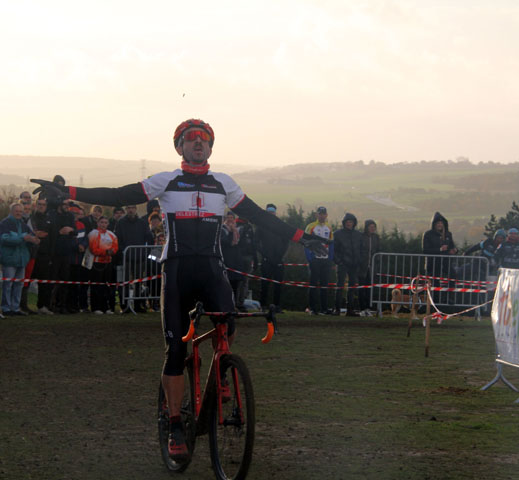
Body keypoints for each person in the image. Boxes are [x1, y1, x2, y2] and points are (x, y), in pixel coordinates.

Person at [31, 118, 325, 462]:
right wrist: (69, 193)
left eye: (203, 139)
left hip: (212, 268)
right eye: (190, 139)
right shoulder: (166, 181)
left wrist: (300, 236)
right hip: (178, 270)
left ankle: (223, 373)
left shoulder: (224, 184)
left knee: (227, 324)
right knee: (174, 349)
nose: (198, 142)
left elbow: (262, 217)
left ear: (211, 148)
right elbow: (119, 195)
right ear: (179, 147)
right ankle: (174, 424)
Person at [0, 203, 40, 316]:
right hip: (10, 259)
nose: (19, 213)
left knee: (19, 285)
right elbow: (4, 239)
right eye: (16, 211)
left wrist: (35, 240)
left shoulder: (24, 225)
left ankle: (15, 308)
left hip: (22, 259)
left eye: (21, 211)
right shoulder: (5, 223)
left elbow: (31, 236)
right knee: (8, 285)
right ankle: (6, 308)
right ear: (11, 211)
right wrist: (22, 238)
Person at [115, 204, 153, 312]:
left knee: (138, 282)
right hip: (125, 257)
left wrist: (146, 252)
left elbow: (149, 237)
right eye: (128, 208)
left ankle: (137, 305)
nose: (130, 210)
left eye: (132, 208)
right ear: (126, 209)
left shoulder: (142, 223)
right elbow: (118, 239)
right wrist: (123, 251)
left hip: (140, 257)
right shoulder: (120, 223)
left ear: (135, 209)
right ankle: (125, 305)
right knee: (125, 282)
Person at [256, 203, 289, 312]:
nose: (271, 214)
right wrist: (265, 255)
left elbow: (286, 243)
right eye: (269, 212)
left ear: (275, 213)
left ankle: (277, 306)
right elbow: (256, 243)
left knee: (278, 284)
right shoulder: (261, 225)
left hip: (279, 260)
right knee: (264, 284)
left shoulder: (281, 225)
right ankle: (263, 306)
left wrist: (280, 256)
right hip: (266, 260)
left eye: (272, 212)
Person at [305, 206, 334, 315]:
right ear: (316, 215)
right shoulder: (311, 226)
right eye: (320, 214)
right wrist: (310, 258)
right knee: (313, 284)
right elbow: (305, 243)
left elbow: (331, 244)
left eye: (324, 214)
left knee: (324, 285)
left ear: (326, 215)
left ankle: (324, 308)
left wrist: (330, 258)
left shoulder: (329, 227)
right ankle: (312, 308)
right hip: (315, 259)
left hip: (325, 260)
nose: (322, 216)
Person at [423, 212, 457, 303]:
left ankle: (450, 299)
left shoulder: (448, 234)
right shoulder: (428, 234)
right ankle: (434, 303)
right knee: (435, 283)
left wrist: (454, 250)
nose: (440, 225)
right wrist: (440, 249)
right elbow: (425, 250)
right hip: (433, 264)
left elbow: (452, 246)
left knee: (452, 276)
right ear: (434, 224)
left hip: (446, 262)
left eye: (441, 223)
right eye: (437, 223)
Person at [333, 213, 363, 316]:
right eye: (347, 222)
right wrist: (338, 261)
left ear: (354, 223)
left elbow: (361, 249)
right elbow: (334, 250)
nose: (349, 223)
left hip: (354, 264)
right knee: (340, 286)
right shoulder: (337, 234)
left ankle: (350, 309)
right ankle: (337, 309)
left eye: (351, 222)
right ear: (344, 223)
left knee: (352, 288)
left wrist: (359, 260)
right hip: (342, 264)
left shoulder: (358, 235)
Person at [87, 216, 119, 314]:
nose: (103, 224)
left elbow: (115, 247)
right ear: (98, 223)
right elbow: (94, 249)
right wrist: (106, 251)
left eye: (105, 222)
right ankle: (96, 307)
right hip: (96, 263)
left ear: (108, 224)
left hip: (108, 263)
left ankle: (106, 307)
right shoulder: (93, 233)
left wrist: (111, 252)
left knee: (107, 286)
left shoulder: (112, 234)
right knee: (96, 286)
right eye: (101, 222)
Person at [29, 197, 54, 315]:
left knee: (44, 282)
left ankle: (43, 306)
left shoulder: (49, 219)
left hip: (45, 255)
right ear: (35, 204)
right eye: (39, 204)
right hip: (31, 254)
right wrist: (35, 233)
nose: (41, 206)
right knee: (26, 281)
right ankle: (21, 305)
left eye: (43, 204)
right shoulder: (30, 218)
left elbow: (51, 236)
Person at [358, 219, 380, 316]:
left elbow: (378, 250)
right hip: (362, 266)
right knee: (362, 288)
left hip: (372, 266)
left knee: (370, 288)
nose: (372, 229)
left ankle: (368, 307)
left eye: (374, 227)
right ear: (366, 227)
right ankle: (362, 308)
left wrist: (377, 260)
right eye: (370, 227)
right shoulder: (361, 237)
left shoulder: (376, 238)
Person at [220, 211, 244, 304]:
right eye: (228, 217)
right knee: (226, 284)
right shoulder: (222, 230)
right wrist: (231, 232)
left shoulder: (237, 230)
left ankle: (234, 303)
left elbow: (240, 244)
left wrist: (234, 231)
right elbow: (227, 243)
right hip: (226, 260)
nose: (230, 219)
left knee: (235, 284)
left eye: (231, 218)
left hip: (236, 261)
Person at [234, 217, 256, 310]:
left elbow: (253, 244)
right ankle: (235, 302)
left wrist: (255, 258)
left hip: (248, 257)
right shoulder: (236, 226)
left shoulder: (249, 227)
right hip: (238, 257)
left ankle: (240, 302)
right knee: (237, 281)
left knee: (245, 281)